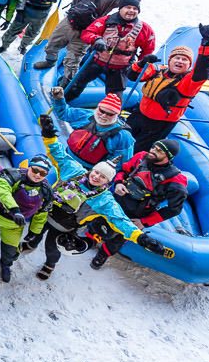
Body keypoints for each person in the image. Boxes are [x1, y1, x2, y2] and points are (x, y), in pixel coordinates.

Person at [23, 115, 171, 280]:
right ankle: (31, 244)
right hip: (44, 214)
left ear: (108, 181)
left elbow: (121, 221)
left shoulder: (104, 200)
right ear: (92, 170)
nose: (96, 177)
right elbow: (58, 153)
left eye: (103, 177)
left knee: (52, 249)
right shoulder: (74, 171)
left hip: (63, 228)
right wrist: (49, 133)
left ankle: (49, 265)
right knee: (34, 233)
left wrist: (141, 238)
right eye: (96, 172)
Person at [36, 0, 142, 86]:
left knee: (73, 61)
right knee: (52, 44)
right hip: (68, 24)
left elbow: (133, 0)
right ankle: (50, 61)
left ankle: (66, 84)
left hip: (86, 32)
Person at [88, 138, 187, 270]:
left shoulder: (176, 181)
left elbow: (174, 209)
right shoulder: (141, 157)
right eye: (154, 147)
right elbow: (123, 171)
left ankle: (102, 255)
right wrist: (118, 183)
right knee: (99, 221)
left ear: (168, 157)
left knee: (119, 238)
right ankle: (90, 239)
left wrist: (144, 222)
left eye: (159, 151)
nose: (153, 151)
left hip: (137, 213)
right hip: (118, 199)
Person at [125, 25, 209, 152]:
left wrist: (206, 43)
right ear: (170, 60)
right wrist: (142, 63)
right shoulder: (158, 71)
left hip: (159, 125)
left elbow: (202, 69)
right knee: (122, 138)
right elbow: (132, 75)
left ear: (189, 65)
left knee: (137, 149)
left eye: (184, 59)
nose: (179, 61)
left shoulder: (189, 83)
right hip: (139, 114)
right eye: (176, 58)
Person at [0, 154, 54, 283]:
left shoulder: (46, 191)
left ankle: (6, 264)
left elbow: (42, 213)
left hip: (15, 223)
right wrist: (15, 210)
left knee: (11, 247)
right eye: (35, 170)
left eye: (42, 173)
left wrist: (34, 232)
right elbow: (2, 190)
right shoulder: (13, 174)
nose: (37, 175)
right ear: (29, 167)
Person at [64, 0, 155, 103]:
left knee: (115, 99)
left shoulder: (145, 29)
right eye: (128, 7)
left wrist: (139, 65)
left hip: (120, 69)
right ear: (120, 9)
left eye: (135, 9)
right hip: (96, 62)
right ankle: (61, 102)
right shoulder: (105, 21)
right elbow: (87, 33)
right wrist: (96, 39)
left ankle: (111, 116)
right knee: (76, 85)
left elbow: (148, 49)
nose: (131, 11)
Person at [50, 88, 134, 167]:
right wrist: (59, 99)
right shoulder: (87, 115)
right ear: (98, 108)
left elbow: (121, 163)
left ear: (117, 115)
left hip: (86, 171)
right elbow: (65, 113)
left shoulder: (123, 137)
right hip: (65, 156)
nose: (104, 116)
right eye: (102, 111)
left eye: (110, 114)